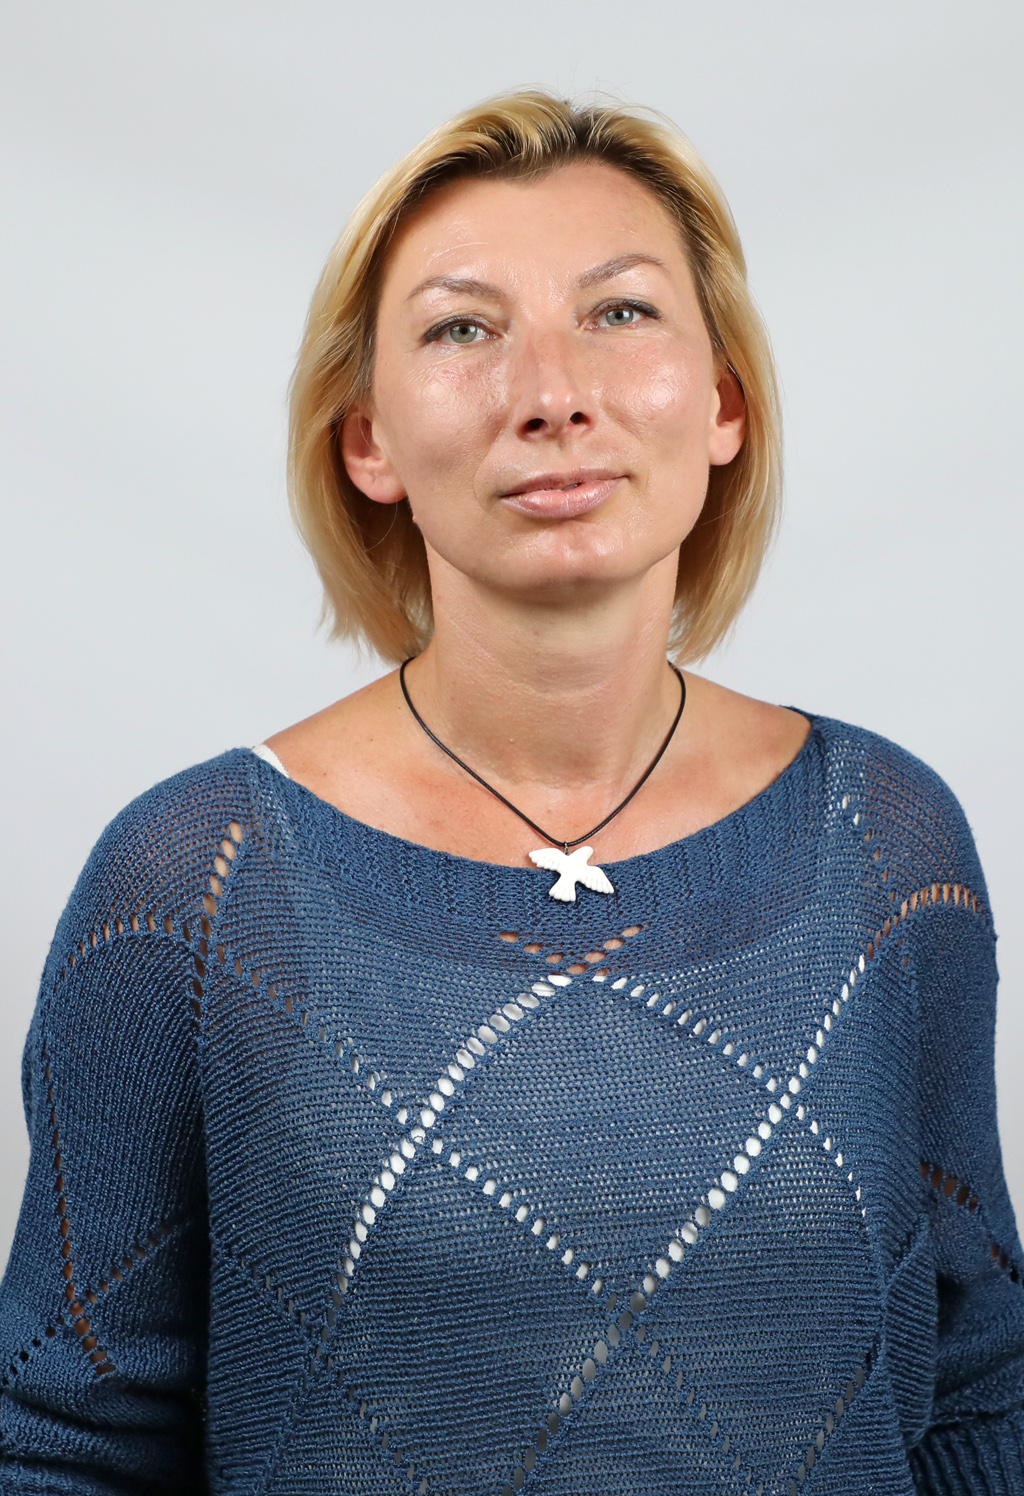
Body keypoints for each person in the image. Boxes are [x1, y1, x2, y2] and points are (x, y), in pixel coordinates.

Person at [1, 90, 1021, 1496]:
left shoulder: (888, 846)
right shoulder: (190, 888)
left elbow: (981, 1391)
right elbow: (62, 1446)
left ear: (724, 405)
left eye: (621, 312)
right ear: (367, 441)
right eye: (462, 330)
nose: (552, 393)